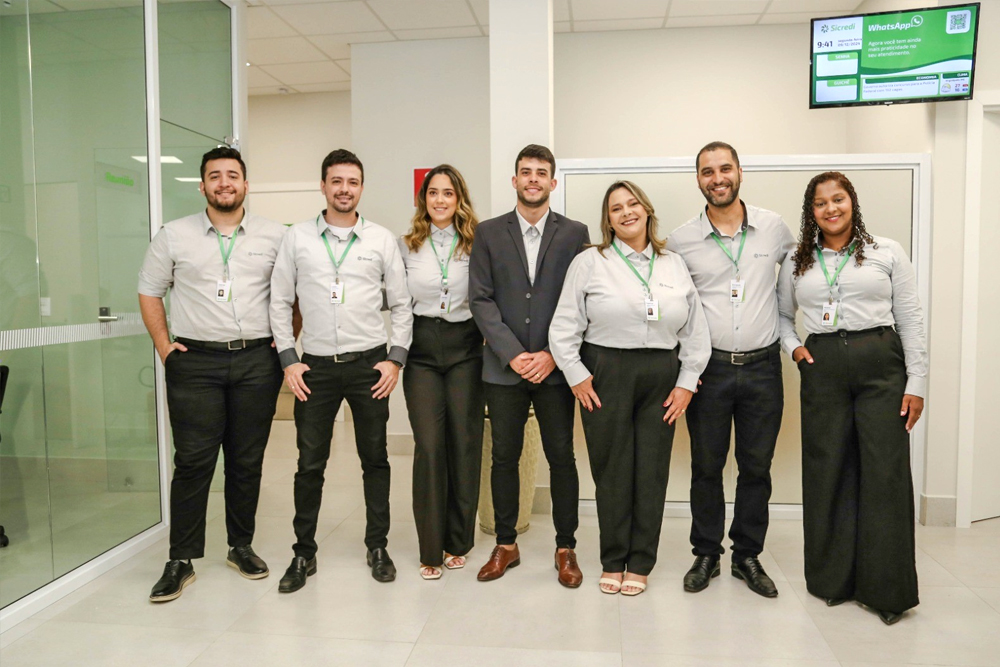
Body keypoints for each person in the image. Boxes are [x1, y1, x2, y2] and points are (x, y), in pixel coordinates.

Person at [778, 171, 926, 625]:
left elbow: (910, 317)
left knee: (885, 474)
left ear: (852, 202)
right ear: (811, 212)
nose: (831, 209)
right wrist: (796, 350)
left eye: (838, 199)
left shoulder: (886, 251)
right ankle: (833, 581)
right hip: (823, 368)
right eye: (820, 203)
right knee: (828, 471)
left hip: (881, 366)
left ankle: (886, 591)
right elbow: (782, 317)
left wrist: (917, 382)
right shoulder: (798, 260)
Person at [138, 147, 286, 602]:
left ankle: (240, 546)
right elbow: (149, 291)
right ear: (202, 185)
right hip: (195, 363)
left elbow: (293, 294)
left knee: (246, 459)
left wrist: (285, 343)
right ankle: (180, 559)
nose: (225, 183)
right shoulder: (174, 235)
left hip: (257, 361)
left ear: (246, 184)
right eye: (215, 176)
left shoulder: (275, 236)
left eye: (233, 175)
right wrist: (165, 348)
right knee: (193, 461)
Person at [550, 181, 710, 596]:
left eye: (632, 204)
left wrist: (687, 383)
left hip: (662, 373)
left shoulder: (673, 263)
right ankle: (612, 559)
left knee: (651, 471)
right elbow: (564, 326)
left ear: (647, 210)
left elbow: (696, 332)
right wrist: (576, 374)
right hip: (605, 371)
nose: (626, 212)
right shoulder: (590, 262)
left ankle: (640, 563)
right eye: (616, 208)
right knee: (612, 470)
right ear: (608, 220)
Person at [270, 149, 412, 592]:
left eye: (352, 182)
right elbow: (279, 302)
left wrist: (395, 359)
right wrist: (289, 359)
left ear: (361, 188)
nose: (344, 189)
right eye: (336, 181)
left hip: (370, 366)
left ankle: (377, 546)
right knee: (309, 463)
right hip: (315, 368)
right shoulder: (297, 238)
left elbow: (403, 305)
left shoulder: (381, 240)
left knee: (375, 460)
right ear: (323, 185)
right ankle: (303, 552)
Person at [667, 141, 796, 598]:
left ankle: (747, 555)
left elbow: (801, 275)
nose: (717, 178)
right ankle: (706, 553)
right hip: (710, 371)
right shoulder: (681, 240)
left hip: (763, 368)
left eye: (725, 168)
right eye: (708, 171)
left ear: (740, 172)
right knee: (706, 467)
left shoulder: (774, 229)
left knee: (756, 467)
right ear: (698, 179)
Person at [469, 144, 590, 587]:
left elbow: (581, 300)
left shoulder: (575, 233)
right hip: (504, 369)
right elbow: (480, 299)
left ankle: (565, 547)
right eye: (526, 171)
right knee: (504, 456)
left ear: (552, 182)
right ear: (515, 180)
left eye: (541, 172)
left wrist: (553, 354)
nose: (533, 179)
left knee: (562, 457)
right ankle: (506, 544)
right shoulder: (488, 233)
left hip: (556, 368)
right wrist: (514, 354)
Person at [398, 164, 484, 580]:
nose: (440, 200)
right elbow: (397, 302)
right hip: (422, 352)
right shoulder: (407, 246)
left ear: (459, 198)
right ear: (424, 199)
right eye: (433, 192)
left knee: (464, 443)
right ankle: (430, 547)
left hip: (466, 348)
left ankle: (458, 541)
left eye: (448, 193)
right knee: (430, 446)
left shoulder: (477, 243)